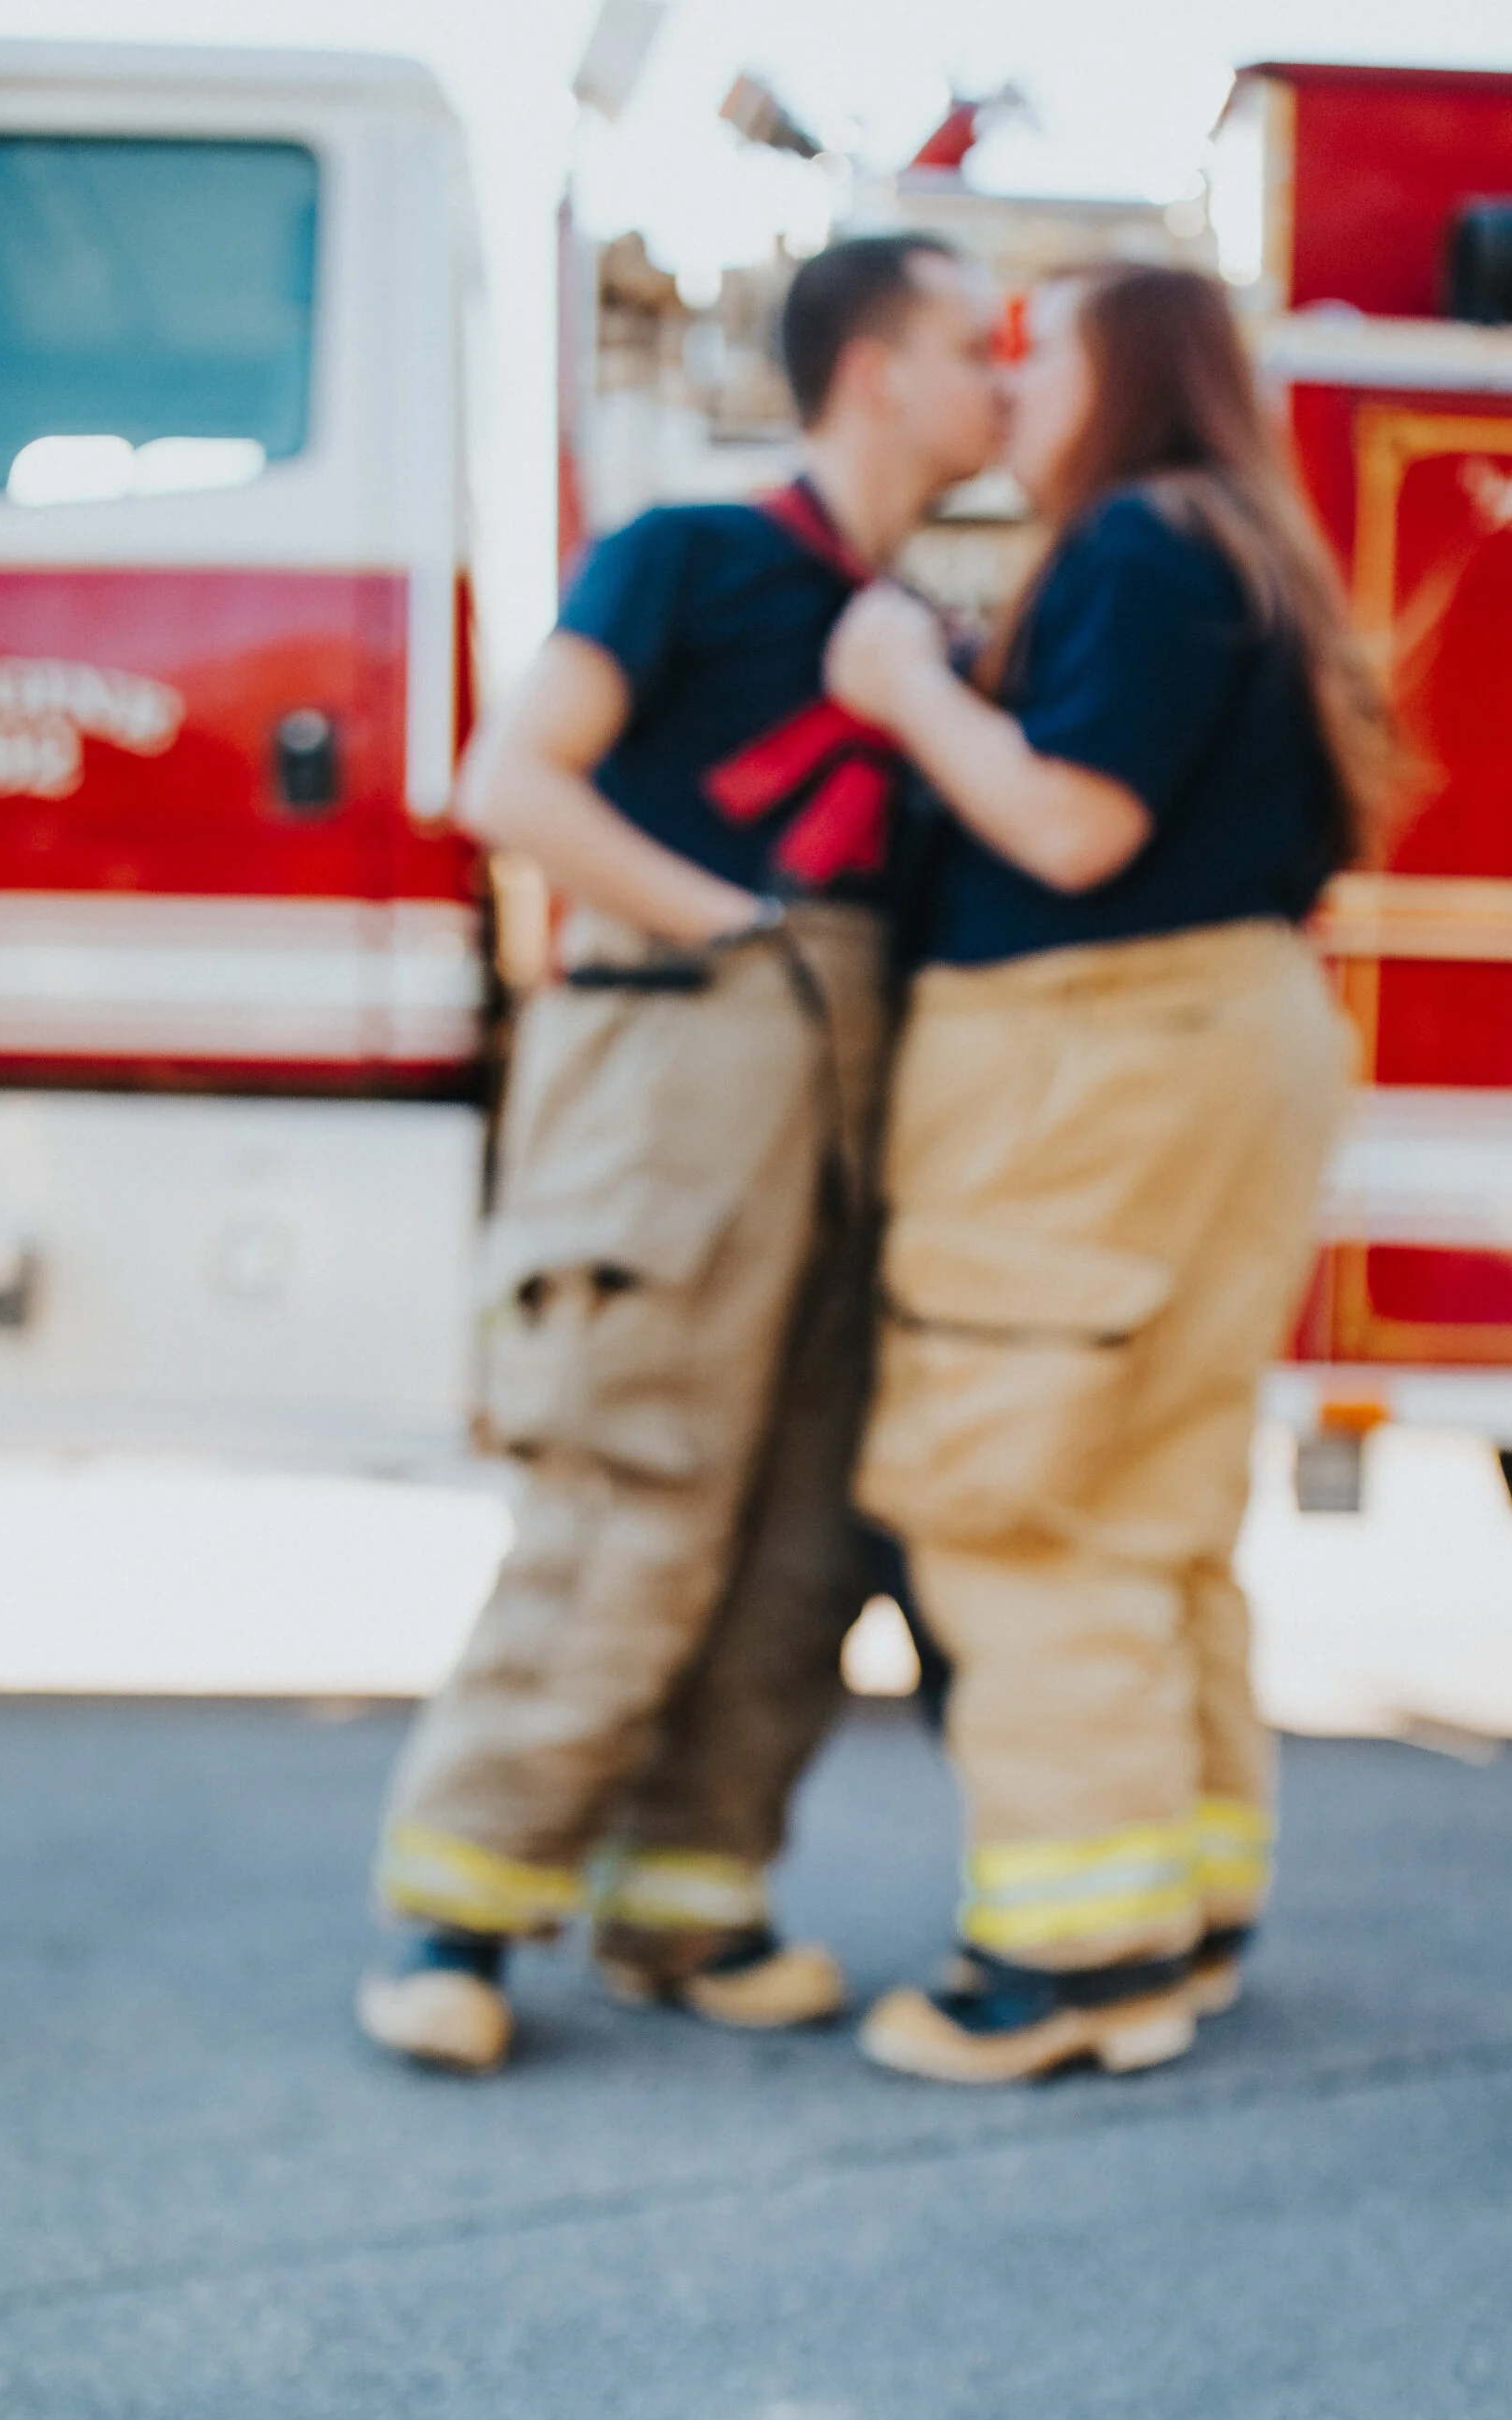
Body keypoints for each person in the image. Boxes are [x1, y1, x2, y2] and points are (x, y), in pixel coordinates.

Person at [360, 234, 1002, 2073]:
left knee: (807, 1532)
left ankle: (682, 1906)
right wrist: (732, 937)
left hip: (849, 1126)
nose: (1006, 388)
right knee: (627, 1502)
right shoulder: (686, 558)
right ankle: (455, 1916)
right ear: (876, 371)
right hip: (673, 1096)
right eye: (978, 350)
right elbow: (512, 787)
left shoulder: (929, 637)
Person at [821, 260, 1402, 2085]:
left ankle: (1075, 1968)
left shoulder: (1144, 544)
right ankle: (1183, 1911)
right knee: (1149, 1500)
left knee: (1022, 1504)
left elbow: (1073, 823)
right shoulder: (1237, 544)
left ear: (1132, 370)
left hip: (1093, 1066)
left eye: (1038, 350)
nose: (1009, 384)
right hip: (1216, 1045)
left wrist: (906, 684)